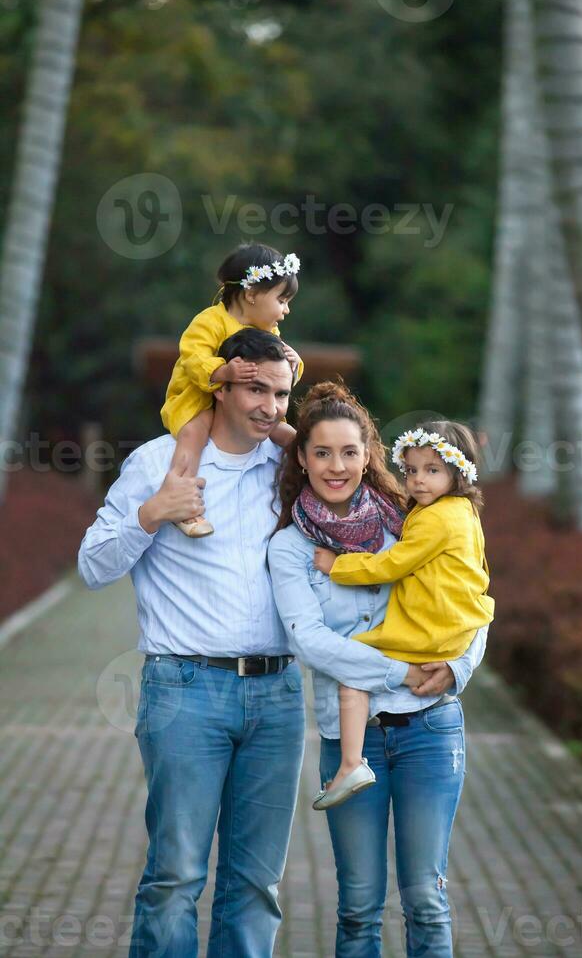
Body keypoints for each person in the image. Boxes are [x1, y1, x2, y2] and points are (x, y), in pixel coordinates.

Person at [78, 328, 305, 958]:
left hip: (280, 694)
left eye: (282, 394)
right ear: (220, 384)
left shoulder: (293, 471)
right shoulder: (157, 463)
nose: (271, 406)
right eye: (256, 389)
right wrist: (151, 513)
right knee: (176, 876)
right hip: (186, 691)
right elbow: (93, 565)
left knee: (257, 883)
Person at [268, 382, 488, 958]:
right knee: (358, 907)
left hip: (429, 731)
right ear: (303, 458)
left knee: (426, 899)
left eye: (348, 452)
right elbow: (309, 639)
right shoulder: (291, 548)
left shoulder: (413, 523)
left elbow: (470, 599)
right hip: (352, 742)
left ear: (368, 455)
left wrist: (458, 667)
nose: (336, 466)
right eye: (321, 453)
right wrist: (399, 672)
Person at [312, 421, 494, 809]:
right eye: (411, 471)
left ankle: (350, 765)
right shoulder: (464, 512)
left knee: (353, 663)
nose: (418, 481)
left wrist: (337, 566)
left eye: (432, 471)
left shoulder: (436, 518)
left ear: (457, 472)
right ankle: (352, 763)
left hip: (430, 626)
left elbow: (390, 565)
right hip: (455, 622)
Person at [161, 242, 303, 537]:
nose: (286, 310)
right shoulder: (209, 321)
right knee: (192, 435)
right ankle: (182, 503)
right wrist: (223, 371)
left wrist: (294, 363)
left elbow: (279, 375)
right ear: (251, 294)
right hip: (198, 399)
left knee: (286, 433)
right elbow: (192, 356)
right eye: (282, 299)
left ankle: (315, 475)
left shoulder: (269, 332)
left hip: (242, 408)